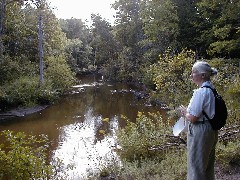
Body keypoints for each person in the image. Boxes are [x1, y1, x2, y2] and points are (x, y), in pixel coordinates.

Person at [179, 61, 218, 180]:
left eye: (194, 72)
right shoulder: (211, 89)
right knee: (207, 165)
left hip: (200, 130)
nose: (191, 75)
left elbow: (194, 118)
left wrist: (185, 113)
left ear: (203, 75)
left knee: (196, 167)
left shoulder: (201, 92)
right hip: (211, 129)